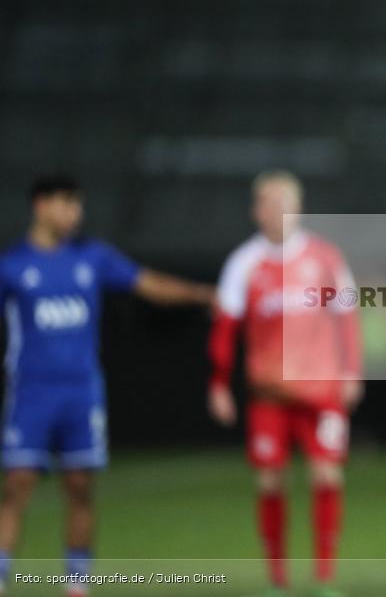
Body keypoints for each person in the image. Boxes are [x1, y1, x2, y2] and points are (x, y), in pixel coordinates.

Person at [0, 174, 215, 596]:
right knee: (17, 485)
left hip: (81, 392)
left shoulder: (92, 259)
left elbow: (149, 283)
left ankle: (77, 584)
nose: (75, 213)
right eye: (67, 203)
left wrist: (201, 294)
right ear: (41, 206)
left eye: (77, 204)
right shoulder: (12, 266)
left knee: (80, 487)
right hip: (31, 392)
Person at [207, 170, 362, 597]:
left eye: (284, 203)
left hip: (321, 391)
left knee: (327, 474)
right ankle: (277, 579)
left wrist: (351, 371)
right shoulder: (243, 263)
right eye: (269, 203)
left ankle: (324, 578)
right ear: (256, 210)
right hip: (269, 395)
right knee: (271, 480)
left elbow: (346, 318)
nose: (278, 212)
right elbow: (225, 327)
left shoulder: (326, 258)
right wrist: (219, 381)